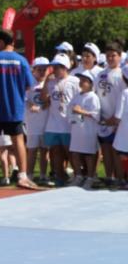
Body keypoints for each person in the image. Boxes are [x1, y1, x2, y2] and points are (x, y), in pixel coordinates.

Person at [0, 30, 38, 189]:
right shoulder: (22, 61)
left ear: (2, 42)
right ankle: (23, 177)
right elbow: (28, 85)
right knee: (18, 140)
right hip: (15, 108)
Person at [41, 54, 80, 187]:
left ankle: (78, 175)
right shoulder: (51, 82)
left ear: (65, 68)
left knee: (70, 151)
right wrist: (46, 81)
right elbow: (43, 99)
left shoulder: (74, 81)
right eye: (54, 67)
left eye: (58, 67)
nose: (55, 70)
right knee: (55, 151)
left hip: (68, 123)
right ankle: (59, 176)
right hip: (53, 123)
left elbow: (79, 98)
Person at [95, 43, 127, 187]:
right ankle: (109, 177)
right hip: (103, 119)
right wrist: (100, 116)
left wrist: (116, 119)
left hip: (117, 121)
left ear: (120, 56)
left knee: (117, 152)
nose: (110, 58)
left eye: (113, 55)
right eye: (108, 55)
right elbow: (96, 95)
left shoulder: (122, 75)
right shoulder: (100, 74)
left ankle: (120, 178)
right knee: (106, 150)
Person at [67, 70, 100, 189]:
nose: (81, 83)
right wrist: (72, 117)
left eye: (84, 81)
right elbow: (70, 109)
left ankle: (90, 177)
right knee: (75, 153)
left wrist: (81, 111)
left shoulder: (93, 97)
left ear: (91, 83)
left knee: (88, 155)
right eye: (81, 80)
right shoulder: (77, 96)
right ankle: (79, 176)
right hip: (76, 129)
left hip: (88, 130)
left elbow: (96, 114)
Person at [24, 57, 51, 185]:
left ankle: (43, 175)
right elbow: (24, 99)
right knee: (32, 150)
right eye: (39, 69)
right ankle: (29, 174)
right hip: (33, 123)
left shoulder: (50, 83)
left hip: (47, 122)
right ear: (33, 70)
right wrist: (30, 105)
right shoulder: (28, 83)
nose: (42, 72)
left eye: (44, 69)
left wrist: (48, 102)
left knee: (45, 150)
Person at [111, 63, 128, 190]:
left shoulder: (124, 93)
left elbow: (118, 115)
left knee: (123, 155)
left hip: (125, 130)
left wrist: (108, 123)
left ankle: (125, 180)